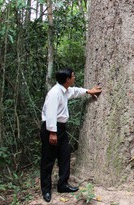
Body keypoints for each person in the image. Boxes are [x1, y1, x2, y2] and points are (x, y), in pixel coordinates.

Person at [40, 67, 102, 202]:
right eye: (73, 76)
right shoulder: (55, 93)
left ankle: (62, 185)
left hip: (61, 128)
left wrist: (88, 91)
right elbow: (50, 114)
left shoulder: (65, 90)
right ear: (67, 79)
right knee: (48, 160)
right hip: (51, 128)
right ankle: (46, 190)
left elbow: (74, 92)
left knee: (64, 155)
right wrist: (52, 132)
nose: (74, 77)